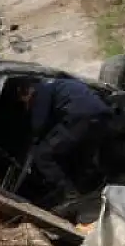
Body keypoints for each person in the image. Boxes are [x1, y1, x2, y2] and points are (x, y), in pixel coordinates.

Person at [18, 77, 117, 211]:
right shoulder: (58, 83)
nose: (26, 104)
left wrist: (32, 142)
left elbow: (38, 125)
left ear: (28, 91)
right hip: (102, 117)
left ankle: (69, 194)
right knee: (81, 156)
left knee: (42, 155)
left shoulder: (41, 92)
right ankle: (94, 188)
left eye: (24, 101)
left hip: (79, 118)